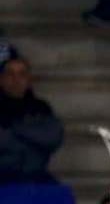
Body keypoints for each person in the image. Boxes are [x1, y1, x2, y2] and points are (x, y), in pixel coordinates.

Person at [0, 56, 64, 184]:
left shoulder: (40, 108)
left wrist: (14, 127)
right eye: (10, 74)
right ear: (1, 79)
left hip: (36, 177)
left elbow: (53, 137)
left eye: (21, 74)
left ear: (29, 80)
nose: (16, 80)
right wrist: (32, 134)